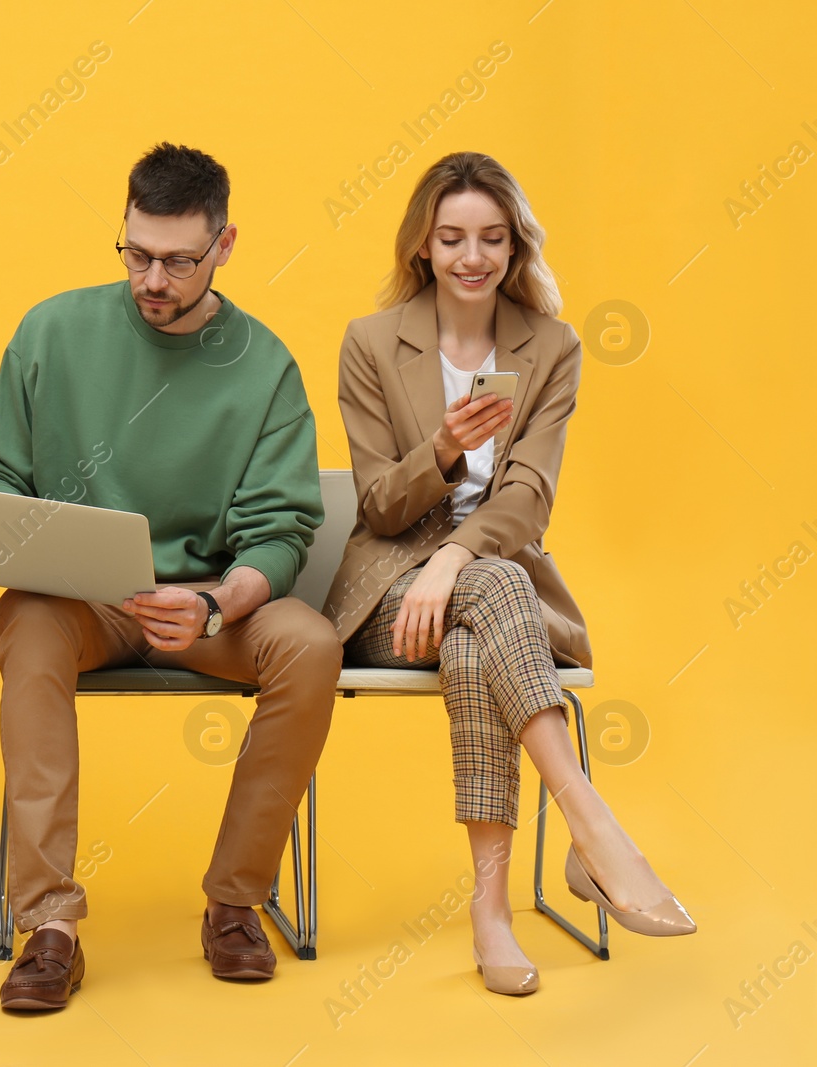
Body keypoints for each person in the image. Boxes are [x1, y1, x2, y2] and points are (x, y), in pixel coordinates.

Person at [0, 143, 341, 1011]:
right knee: (24, 617)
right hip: (80, 600)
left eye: (178, 260)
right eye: (137, 254)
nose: (153, 279)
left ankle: (235, 902)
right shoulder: (52, 331)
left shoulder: (266, 365)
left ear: (225, 243)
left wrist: (215, 602)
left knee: (311, 645)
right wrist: (42, 541)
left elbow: (281, 532)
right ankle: (49, 926)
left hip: (207, 606)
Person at [323, 151, 695, 997]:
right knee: (496, 594)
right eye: (451, 237)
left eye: (492, 237)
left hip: (490, 595)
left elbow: (531, 495)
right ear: (423, 244)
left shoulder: (552, 346)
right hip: (390, 596)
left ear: (516, 244)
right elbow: (380, 504)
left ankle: (491, 914)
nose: (472, 257)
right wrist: (447, 446)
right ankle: (594, 828)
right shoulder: (372, 342)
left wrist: (454, 556)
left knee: (478, 634)